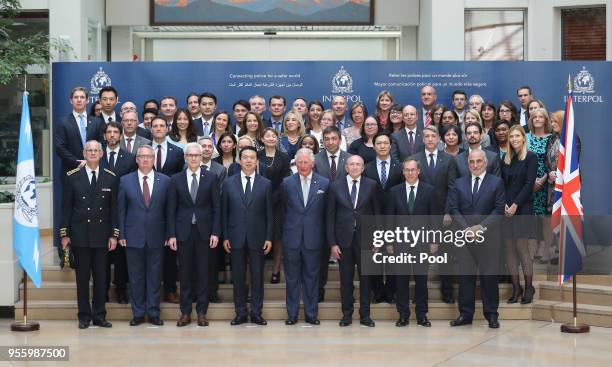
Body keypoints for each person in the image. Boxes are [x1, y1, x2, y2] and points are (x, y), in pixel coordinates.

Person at [60, 140, 118, 329]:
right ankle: (84, 316)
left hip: (102, 236)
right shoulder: (72, 176)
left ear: (102, 154)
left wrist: (114, 235)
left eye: (96, 150)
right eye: (89, 150)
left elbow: (114, 210)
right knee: (82, 279)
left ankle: (99, 315)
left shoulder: (110, 177)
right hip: (80, 235)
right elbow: (66, 208)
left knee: (102, 279)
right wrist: (64, 234)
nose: (93, 153)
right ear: (84, 153)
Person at [448, 149, 505, 329]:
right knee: (466, 278)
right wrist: (466, 229)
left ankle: (491, 315)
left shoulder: (497, 183)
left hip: (488, 238)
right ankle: (465, 314)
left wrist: (480, 228)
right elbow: (454, 209)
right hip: (465, 239)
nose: (475, 165)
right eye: (472, 162)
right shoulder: (459, 183)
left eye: (479, 161)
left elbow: (498, 209)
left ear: (485, 162)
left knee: (489, 278)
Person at [167, 143, 221, 327]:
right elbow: (171, 209)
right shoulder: (176, 179)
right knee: (185, 273)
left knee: (203, 273)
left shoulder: (211, 177)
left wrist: (215, 232)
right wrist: (171, 234)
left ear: (202, 157)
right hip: (183, 233)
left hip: (205, 233)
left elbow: (216, 208)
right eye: (190, 155)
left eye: (197, 155)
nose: (193, 158)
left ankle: (201, 312)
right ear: (185, 157)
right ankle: (185, 312)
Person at [118, 145, 172, 327]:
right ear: (136, 159)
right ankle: (138, 313)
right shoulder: (125, 181)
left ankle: (154, 312)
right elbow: (121, 210)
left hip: (158, 236)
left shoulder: (165, 180)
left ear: (153, 159)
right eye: (142, 156)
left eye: (149, 156)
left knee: (155, 276)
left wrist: (169, 233)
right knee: (136, 277)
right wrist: (121, 234)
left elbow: (169, 211)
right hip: (132, 236)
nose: (146, 159)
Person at [222, 146, 273, 326]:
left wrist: (268, 237)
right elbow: (224, 213)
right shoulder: (229, 183)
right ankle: (240, 312)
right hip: (235, 237)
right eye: (245, 157)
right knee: (238, 276)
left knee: (258, 277)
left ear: (257, 161)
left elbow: (269, 214)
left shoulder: (265, 183)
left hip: (258, 238)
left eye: (252, 157)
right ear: (239, 160)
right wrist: (226, 237)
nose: (249, 160)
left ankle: (257, 312)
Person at [327, 155, 380, 327]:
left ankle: (365, 315)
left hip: (366, 240)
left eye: (358, 164)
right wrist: (333, 243)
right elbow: (330, 217)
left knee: (366, 279)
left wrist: (378, 239)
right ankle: (347, 314)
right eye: (352, 164)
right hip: (343, 242)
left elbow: (378, 215)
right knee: (346, 280)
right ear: (346, 167)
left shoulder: (372, 185)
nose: (355, 167)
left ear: (363, 168)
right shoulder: (335, 186)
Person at [280, 148, 330, 325]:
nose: (302, 166)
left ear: (312, 163)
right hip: (292, 238)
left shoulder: (324, 183)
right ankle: (292, 314)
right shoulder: (287, 183)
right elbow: (283, 211)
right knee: (292, 278)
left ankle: (311, 314)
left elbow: (327, 214)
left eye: (305, 162)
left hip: (314, 239)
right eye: (299, 162)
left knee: (312, 278)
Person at [411, 126, 459, 304]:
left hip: (442, 216)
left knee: (445, 254)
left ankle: (447, 291)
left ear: (439, 138)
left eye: (433, 136)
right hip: (420, 217)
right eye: (427, 136)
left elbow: (452, 188)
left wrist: (448, 212)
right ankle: (419, 293)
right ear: (422, 139)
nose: (430, 139)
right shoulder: (414, 159)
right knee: (419, 256)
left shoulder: (448, 160)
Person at [387, 158, 437, 327]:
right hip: (400, 243)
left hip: (422, 242)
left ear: (418, 171)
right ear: (403, 172)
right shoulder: (394, 191)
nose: (410, 173)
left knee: (421, 280)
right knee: (401, 279)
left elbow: (434, 219)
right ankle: (403, 315)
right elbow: (390, 219)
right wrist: (389, 242)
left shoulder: (429, 191)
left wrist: (434, 240)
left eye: (413, 170)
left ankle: (422, 314)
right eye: (407, 170)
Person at [363, 133, 403, 304]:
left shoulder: (400, 167)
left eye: (385, 143)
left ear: (391, 145)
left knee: (394, 256)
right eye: (378, 143)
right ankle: (378, 291)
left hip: (396, 218)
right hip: (373, 217)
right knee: (375, 257)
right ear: (374, 146)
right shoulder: (366, 167)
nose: (382, 146)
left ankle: (391, 291)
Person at [99, 122, 136, 304]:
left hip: (124, 212)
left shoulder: (130, 158)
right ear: (105, 136)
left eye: (115, 132)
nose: (112, 135)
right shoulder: (97, 157)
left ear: (121, 136)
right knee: (103, 256)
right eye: (109, 132)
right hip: (101, 213)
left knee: (122, 255)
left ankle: (121, 290)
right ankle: (103, 290)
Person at [150, 116, 185, 303]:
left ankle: (170, 289)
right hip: (148, 207)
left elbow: (180, 179)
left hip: (171, 207)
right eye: (154, 126)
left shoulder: (178, 152)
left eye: (161, 125)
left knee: (171, 251)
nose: (158, 128)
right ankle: (151, 290)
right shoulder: (144, 151)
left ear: (167, 128)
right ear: (150, 128)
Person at [502, 125, 538, 305]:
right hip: (506, 209)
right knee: (508, 248)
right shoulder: (506, 158)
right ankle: (516, 288)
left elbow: (529, 184)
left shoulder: (530, 157)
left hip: (522, 207)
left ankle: (529, 287)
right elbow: (501, 184)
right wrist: (505, 205)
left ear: (524, 138)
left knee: (521, 247)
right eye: (511, 136)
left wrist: (516, 205)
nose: (514, 139)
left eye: (517, 136)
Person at [314, 126, 350, 302]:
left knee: (346, 261)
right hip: (320, 215)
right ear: (322, 141)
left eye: (333, 138)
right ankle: (318, 292)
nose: (330, 142)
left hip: (345, 216)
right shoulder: (315, 159)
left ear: (340, 139)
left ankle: (346, 296)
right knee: (320, 259)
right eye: (326, 139)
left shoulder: (350, 159)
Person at [258, 128, 291, 284]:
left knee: (278, 236)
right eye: (267, 136)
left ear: (277, 139)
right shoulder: (256, 156)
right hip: (257, 202)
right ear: (262, 139)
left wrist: (272, 198)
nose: (271, 138)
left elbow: (285, 180)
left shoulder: (284, 157)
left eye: (274, 136)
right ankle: (257, 268)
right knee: (258, 234)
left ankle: (276, 269)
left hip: (278, 202)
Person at [199, 136, 227, 302]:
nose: (207, 149)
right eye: (203, 146)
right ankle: (197, 292)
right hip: (192, 221)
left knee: (212, 260)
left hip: (211, 219)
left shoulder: (220, 169)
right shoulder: (186, 166)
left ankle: (212, 291)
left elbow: (220, 196)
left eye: (210, 146)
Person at [526, 107, 553, 263]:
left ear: (545, 120)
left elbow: (552, 161)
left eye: (540, 117)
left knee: (545, 219)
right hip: (528, 183)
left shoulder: (551, 138)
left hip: (546, 184)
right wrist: (531, 182)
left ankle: (546, 250)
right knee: (530, 217)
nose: (537, 119)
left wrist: (542, 179)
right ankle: (532, 249)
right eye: (534, 117)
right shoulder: (526, 137)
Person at [55, 87, 104, 174]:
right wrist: (78, 162)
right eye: (76, 97)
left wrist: (91, 161)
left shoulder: (97, 122)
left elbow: (102, 144)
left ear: (87, 100)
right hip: (71, 170)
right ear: (71, 101)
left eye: (82, 97)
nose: (79, 100)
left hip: (94, 170)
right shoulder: (63, 122)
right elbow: (60, 148)